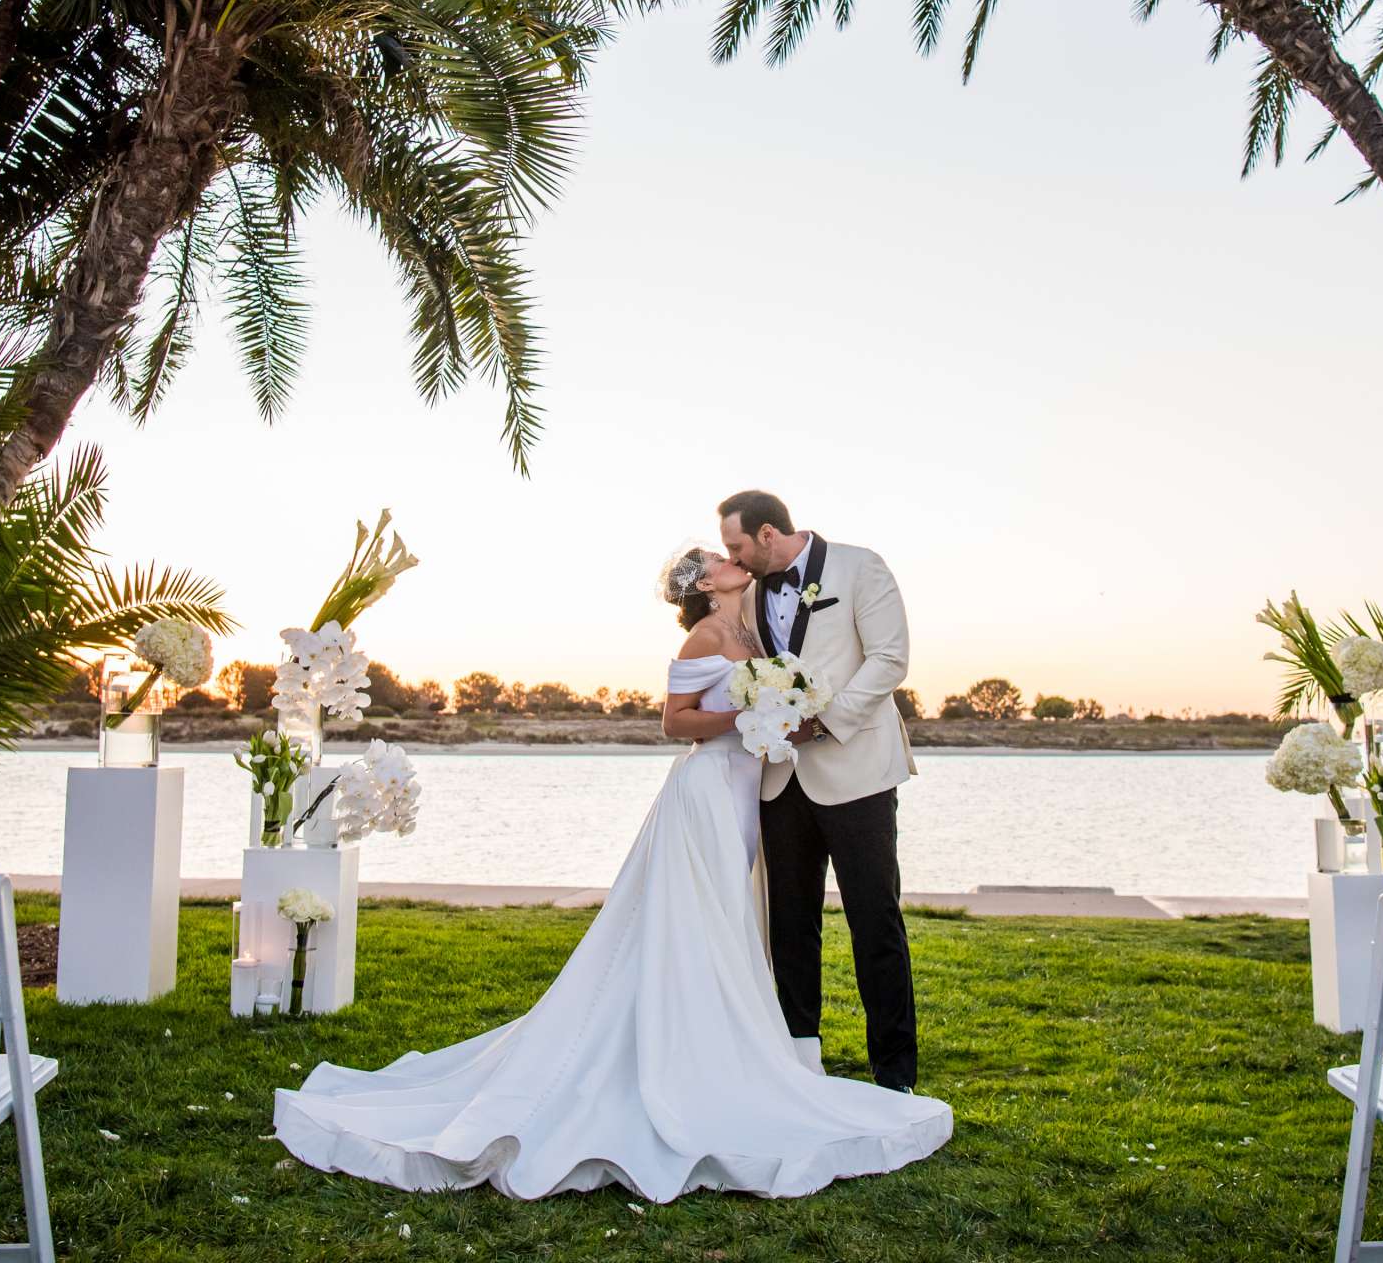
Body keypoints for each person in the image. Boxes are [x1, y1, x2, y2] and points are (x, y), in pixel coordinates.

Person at [270, 544, 949, 1202]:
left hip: (748, 798)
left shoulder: (755, 627)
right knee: (697, 923)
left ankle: (725, 1052)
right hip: (707, 796)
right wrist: (748, 711)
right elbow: (672, 722)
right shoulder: (704, 639)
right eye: (717, 558)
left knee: (727, 924)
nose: (731, 559)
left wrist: (779, 706)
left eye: (730, 551)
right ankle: (686, 1057)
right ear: (706, 585)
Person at [717, 489, 920, 1091]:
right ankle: (801, 1065)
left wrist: (825, 720)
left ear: (768, 536)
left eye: (737, 546)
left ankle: (895, 1074)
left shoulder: (861, 566)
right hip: (780, 781)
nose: (733, 558)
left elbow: (890, 659)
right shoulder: (749, 594)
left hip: (858, 771)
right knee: (791, 924)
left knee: (875, 919)